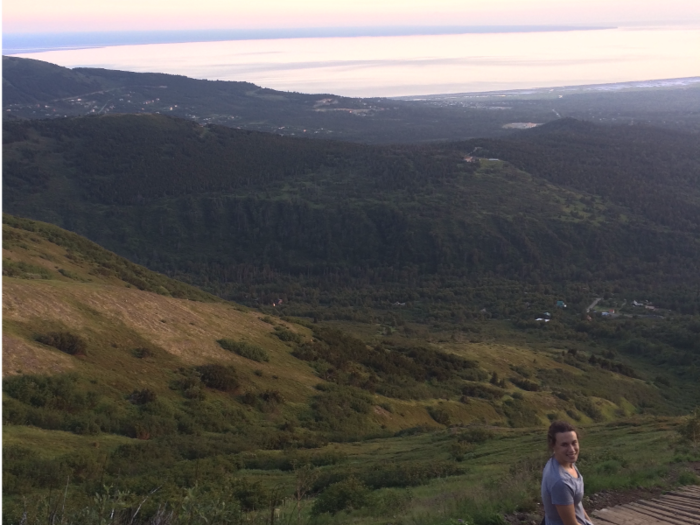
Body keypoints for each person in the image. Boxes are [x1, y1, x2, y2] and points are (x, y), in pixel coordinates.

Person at [541, 421, 594, 525]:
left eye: (574, 442)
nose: (571, 449)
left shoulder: (563, 462)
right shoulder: (561, 482)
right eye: (564, 445)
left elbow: (576, 503)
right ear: (553, 445)